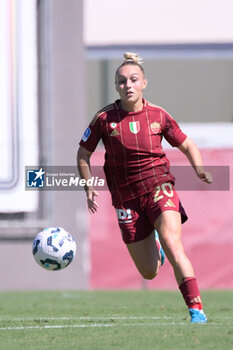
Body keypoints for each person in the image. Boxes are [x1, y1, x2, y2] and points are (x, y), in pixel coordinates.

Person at [77, 52, 213, 323]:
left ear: (144, 84)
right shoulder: (104, 119)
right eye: (122, 81)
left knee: (174, 244)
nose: (128, 85)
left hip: (159, 188)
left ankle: (196, 309)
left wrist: (198, 167)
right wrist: (88, 185)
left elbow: (186, 144)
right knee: (149, 272)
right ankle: (155, 249)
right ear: (116, 86)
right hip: (126, 200)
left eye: (133, 80)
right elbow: (82, 153)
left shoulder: (158, 115)